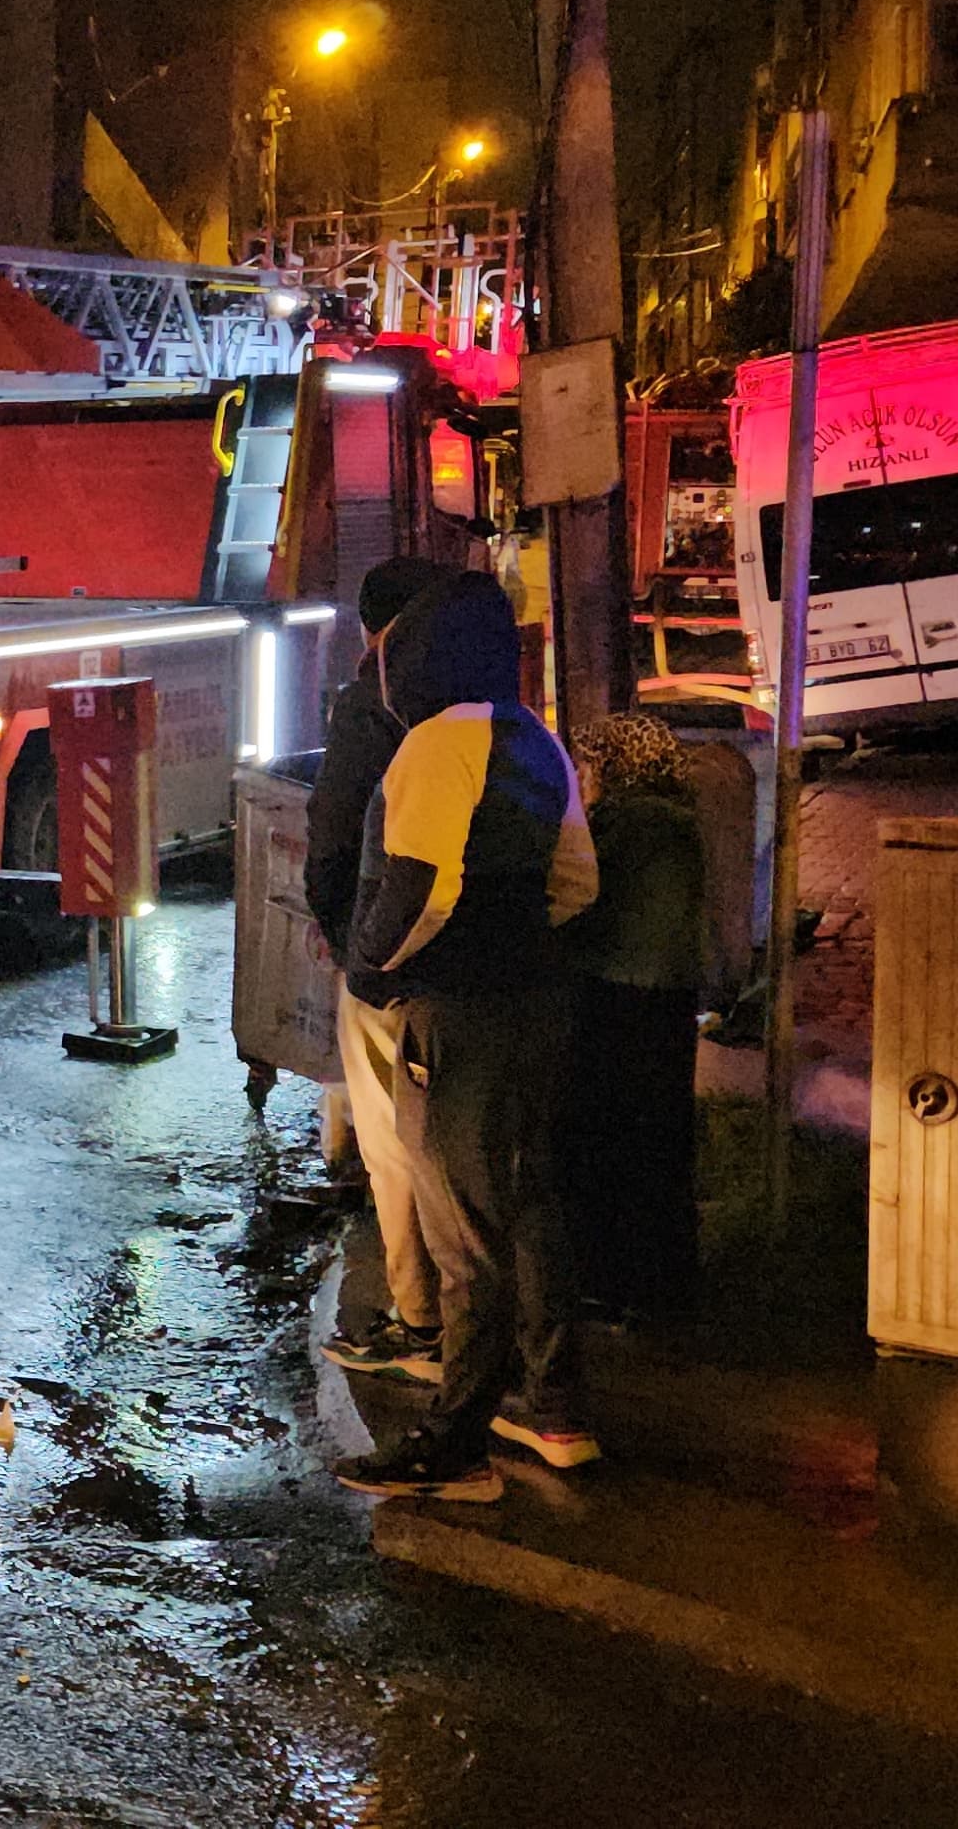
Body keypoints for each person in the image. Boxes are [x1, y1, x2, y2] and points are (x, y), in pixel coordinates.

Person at [331, 571, 602, 1501]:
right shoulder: (538, 741)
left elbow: (421, 887)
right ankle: (554, 1406)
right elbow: (576, 882)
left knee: (460, 1234)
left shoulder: (435, 744)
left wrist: (370, 969)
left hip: (457, 1015)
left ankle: (455, 1444)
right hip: (541, 1002)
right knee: (529, 1204)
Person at [305, 555, 453, 1386]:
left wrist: (353, 950)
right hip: (465, 968)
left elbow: (333, 835)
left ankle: (421, 1321)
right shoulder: (486, 711)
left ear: (373, 631)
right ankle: (467, 1317)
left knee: (394, 1143)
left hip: (388, 964)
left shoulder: (377, 705)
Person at [557, 712, 709, 1323]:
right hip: (668, 1001)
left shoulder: (626, 824)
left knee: (609, 1142)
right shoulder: (677, 820)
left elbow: (579, 898)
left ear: (614, 767)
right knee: (661, 1145)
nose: (581, 778)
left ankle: (617, 1283)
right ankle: (663, 1286)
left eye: (588, 765)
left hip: (620, 1002)